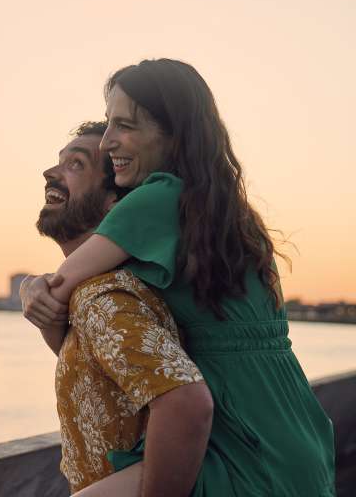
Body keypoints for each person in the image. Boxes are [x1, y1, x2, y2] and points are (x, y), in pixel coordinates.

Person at [23, 59, 336, 496]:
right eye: (109, 123)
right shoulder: (224, 214)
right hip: (290, 430)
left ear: (173, 133)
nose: (109, 141)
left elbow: (60, 289)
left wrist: (31, 288)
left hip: (237, 442)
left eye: (124, 125)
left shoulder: (155, 198)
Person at [25, 121, 212, 493]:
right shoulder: (92, 293)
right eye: (59, 161)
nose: (50, 172)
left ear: (114, 202)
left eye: (76, 164)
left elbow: (187, 404)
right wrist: (35, 289)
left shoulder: (104, 298)